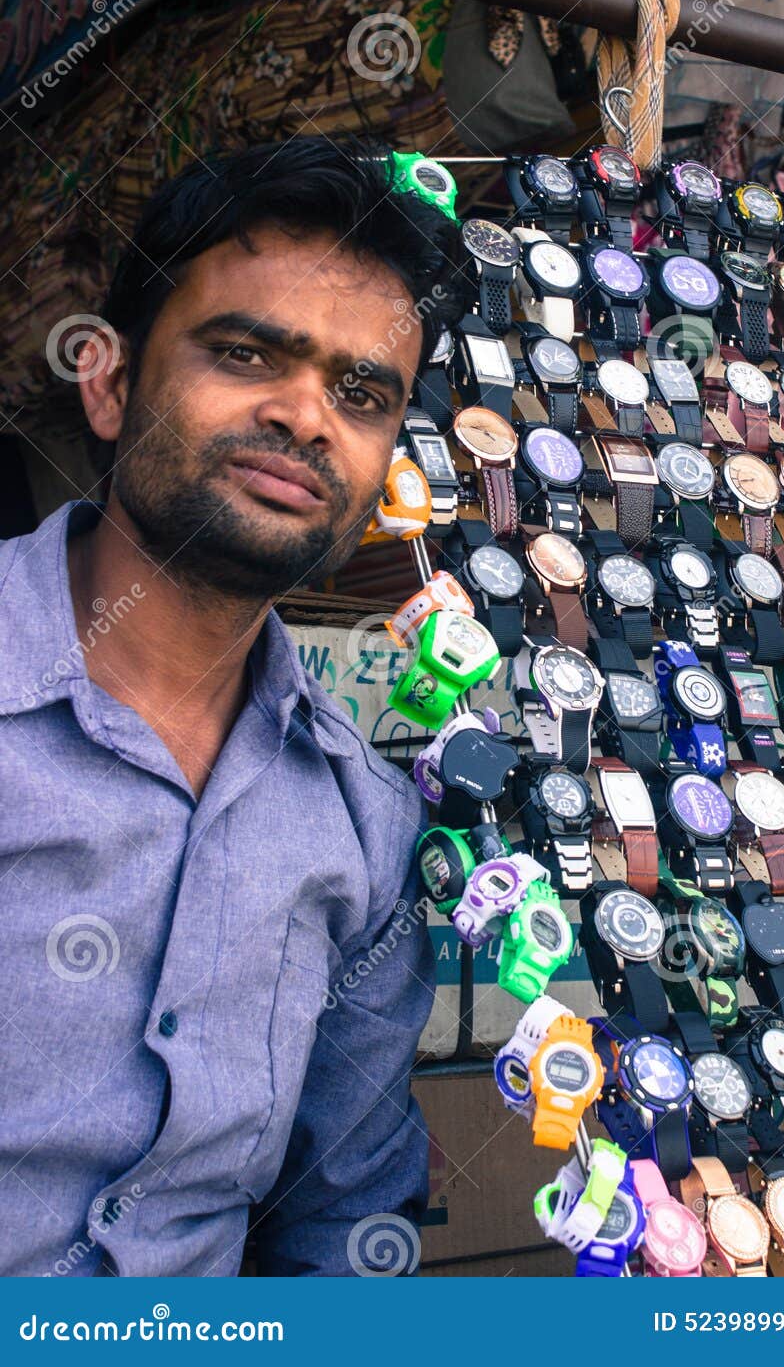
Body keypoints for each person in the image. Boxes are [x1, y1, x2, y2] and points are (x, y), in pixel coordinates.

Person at [0, 134, 464, 1276]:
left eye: (361, 393)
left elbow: (343, 1210)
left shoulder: (366, 823)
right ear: (108, 384)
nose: (308, 417)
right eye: (249, 353)